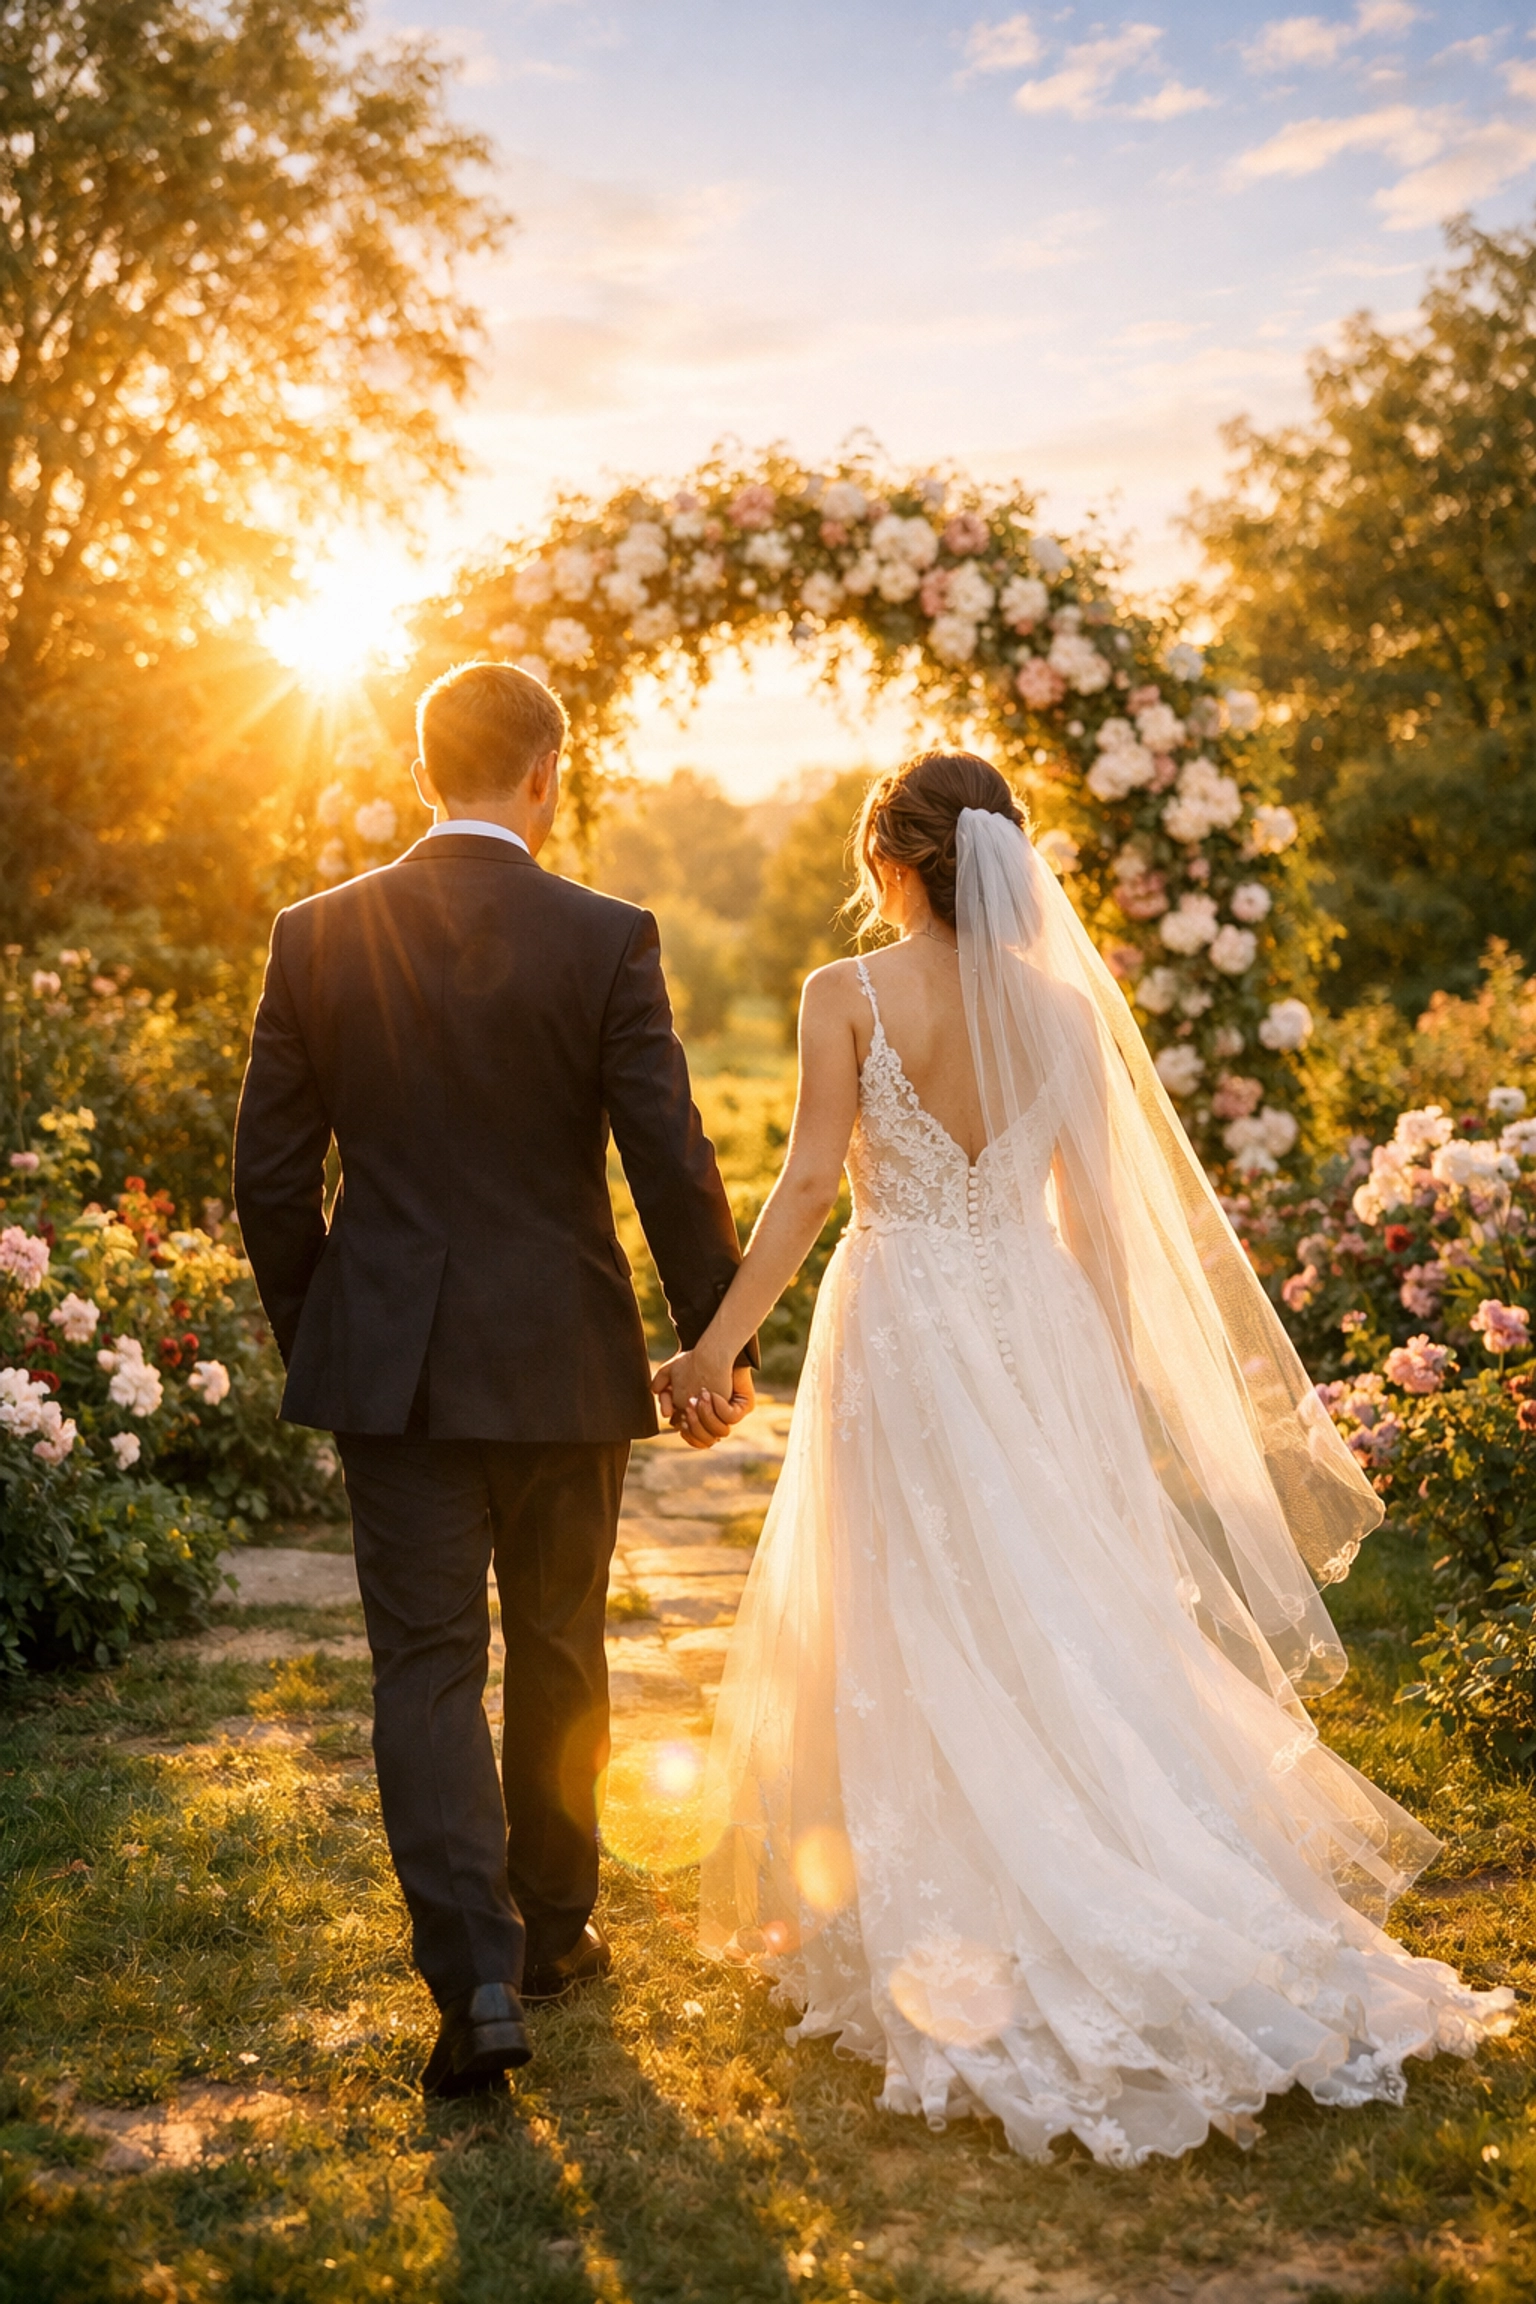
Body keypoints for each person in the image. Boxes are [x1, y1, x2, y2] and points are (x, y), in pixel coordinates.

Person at [653, 749, 1512, 2168]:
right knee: (1050, 1593)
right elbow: (1101, 1216)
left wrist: (711, 1349)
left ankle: (936, 1882)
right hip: (1036, 1314)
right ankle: (1108, 1855)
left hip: (911, 1317)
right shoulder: (1060, 1010)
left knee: (915, 1594)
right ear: (994, 856)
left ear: (895, 857)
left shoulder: (846, 994)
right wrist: (1104, 1387)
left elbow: (811, 1184)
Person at [234, 660, 754, 2099]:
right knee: (564, 1642)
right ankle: (557, 1933)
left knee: (426, 1666)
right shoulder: (606, 935)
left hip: (388, 1366)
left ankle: (473, 1983)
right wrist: (716, 1340)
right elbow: (666, 1151)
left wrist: (331, 1331)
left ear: (421, 772)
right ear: (546, 775)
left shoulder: (315, 933)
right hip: (563, 1356)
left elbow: (269, 1178)